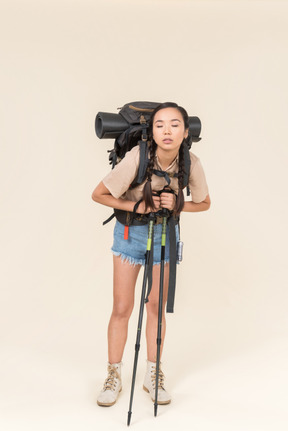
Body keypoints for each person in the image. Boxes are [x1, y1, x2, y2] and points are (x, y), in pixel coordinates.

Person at [91, 102, 211, 407]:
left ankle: (153, 374)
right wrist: (138, 206)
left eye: (174, 124)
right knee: (122, 307)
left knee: (155, 307)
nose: (167, 131)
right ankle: (113, 374)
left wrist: (177, 205)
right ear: (151, 132)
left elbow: (204, 202)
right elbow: (99, 194)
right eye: (160, 125)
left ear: (186, 131)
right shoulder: (138, 156)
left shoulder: (190, 162)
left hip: (166, 235)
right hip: (131, 233)